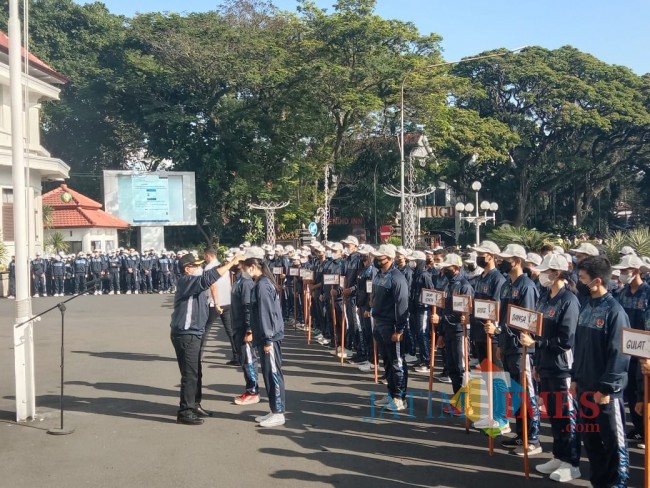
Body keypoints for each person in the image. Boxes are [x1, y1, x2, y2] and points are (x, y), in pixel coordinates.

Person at [520, 253, 581, 482]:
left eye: (546, 271)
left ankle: (572, 462)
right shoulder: (546, 297)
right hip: (545, 365)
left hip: (562, 368)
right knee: (555, 416)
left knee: (567, 416)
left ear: (556, 273)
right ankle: (559, 455)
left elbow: (566, 340)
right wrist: (537, 363)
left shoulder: (569, 300)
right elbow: (539, 329)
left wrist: (537, 344)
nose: (542, 275)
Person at [571, 255, 630, 487]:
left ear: (596, 281)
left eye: (583, 278)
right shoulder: (587, 306)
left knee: (614, 444)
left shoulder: (614, 312)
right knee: (592, 441)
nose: (579, 282)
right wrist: (575, 377)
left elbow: (619, 354)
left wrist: (606, 388)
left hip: (605, 393)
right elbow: (580, 346)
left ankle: (617, 483)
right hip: (584, 387)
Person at [170, 252, 242, 425]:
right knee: (190, 373)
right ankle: (185, 411)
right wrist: (232, 262)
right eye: (195, 266)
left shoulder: (193, 284)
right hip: (186, 333)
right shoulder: (186, 281)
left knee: (196, 372)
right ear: (187, 269)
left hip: (194, 332)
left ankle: (194, 404)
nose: (199, 268)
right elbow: (208, 279)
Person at [490, 243, 541, 455]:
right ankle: (521, 435)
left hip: (522, 349)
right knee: (516, 393)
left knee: (527, 393)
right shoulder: (506, 285)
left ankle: (533, 438)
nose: (503, 261)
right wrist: (501, 342)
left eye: (507, 259)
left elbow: (527, 320)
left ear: (517, 261)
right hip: (508, 346)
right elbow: (503, 317)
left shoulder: (527, 286)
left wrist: (507, 334)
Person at [242, 246, 286, 428]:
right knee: (268, 373)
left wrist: (267, 339)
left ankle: (279, 412)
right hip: (264, 335)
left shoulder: (262, 285)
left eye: (245, 265)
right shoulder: (260, 283)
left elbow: (267, 314)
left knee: (273, 373)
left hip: (270, 337)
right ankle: (273, 409)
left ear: (253, 265)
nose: (244, 269)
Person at [468, 241, 508, 431]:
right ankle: (491, 413)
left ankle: (502, 418)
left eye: (482, 254)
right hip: (478, 332)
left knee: (496, 375)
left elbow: (497, 308)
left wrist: (494, 327)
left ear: (491, 256)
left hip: (491, 334)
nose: (479, 257)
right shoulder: (481, 277)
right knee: (486, 375)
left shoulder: (497, 279)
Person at [612, 254, 650, 449]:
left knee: (645, 392)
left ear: (635, 271)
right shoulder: (621, 293)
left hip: (643, 350)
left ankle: (647, 432)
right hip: (626, 349)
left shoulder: (648, 293)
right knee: (632, 392)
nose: (622, 275)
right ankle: (637, 427)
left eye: (625, 271)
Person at [370, 245, 410, 411]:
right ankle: (391, 393)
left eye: (381, 257)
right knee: (386, 361)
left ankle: (400, 398)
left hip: (392, 325)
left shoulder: (397, 278)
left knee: (396, 362)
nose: (377, 260)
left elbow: (402, 304)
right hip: (379, 323)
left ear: (389, 258)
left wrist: (399, 329)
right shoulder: (380, 275)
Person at [432, 253, 474, 408]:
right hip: (448, 331)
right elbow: (444, 309)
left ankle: (466, 403)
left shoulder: (464, 286)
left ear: (456, 268)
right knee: (452, 368)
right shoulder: (448, 285)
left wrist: (441, 320)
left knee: (461, 368)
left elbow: (463, 314)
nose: (444, 271)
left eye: (447, 268)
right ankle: (458, 401)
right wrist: (441, 333)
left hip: (459, 333)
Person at [231, 257, 259, 405]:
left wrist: (249, 329)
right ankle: (249, 389)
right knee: (244, 360)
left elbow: (248, 308)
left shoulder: (246, 282)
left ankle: (253, 391)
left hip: (244, 327)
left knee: (249, 360)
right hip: (237, 325)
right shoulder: (238, 280)